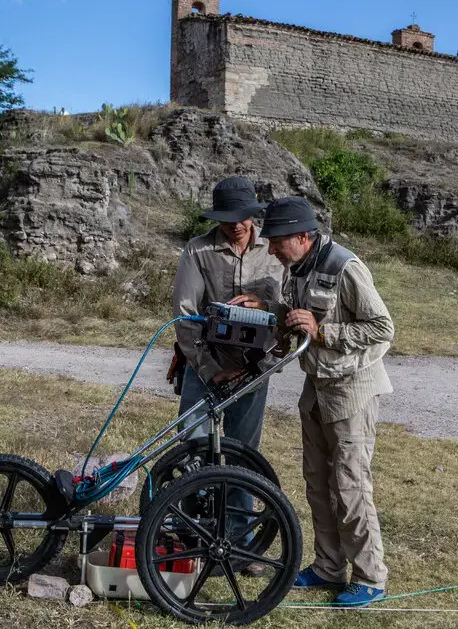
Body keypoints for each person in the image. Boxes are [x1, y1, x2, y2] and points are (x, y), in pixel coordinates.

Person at [231, 196, 394, 606]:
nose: (270, 249)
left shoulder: (345, 267)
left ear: (303, 237)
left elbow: (382, 327)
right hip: (316, 389)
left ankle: (370, 578)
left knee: (350, 486)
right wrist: (269, 309)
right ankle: (328, 566)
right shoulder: (298, 267)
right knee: (318, 484)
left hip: (351, 391)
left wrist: (325, 334)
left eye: (277, 241)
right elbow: (297, 316)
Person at [170, 176, 285, 574]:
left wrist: (264, 300)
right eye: (227, 218)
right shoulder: (198, 250)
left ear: (252, 215)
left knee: (240, 455)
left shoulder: (272, 251)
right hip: (205, 367)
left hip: (254, 372)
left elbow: (289, 303)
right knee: (194, 453)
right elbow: (185, 315)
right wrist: (209, 368)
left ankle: (239, 544)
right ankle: (190, 538)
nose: (235, 225)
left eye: (241, 217)